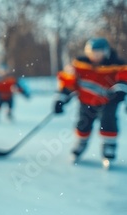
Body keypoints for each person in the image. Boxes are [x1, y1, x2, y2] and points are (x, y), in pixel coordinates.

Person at [53, 37, 127, 166]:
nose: (94, 57)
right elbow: (69, 82)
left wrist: (120, 90)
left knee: (108, 121)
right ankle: (81, 143)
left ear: (106, 52)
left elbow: (123, 79)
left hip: (108, 101)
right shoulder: (80, 65)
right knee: (83, 123)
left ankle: (109, 146)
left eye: (98, 54)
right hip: (86, 100)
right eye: (91, 54)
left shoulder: (116, 65)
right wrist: (61, 99)